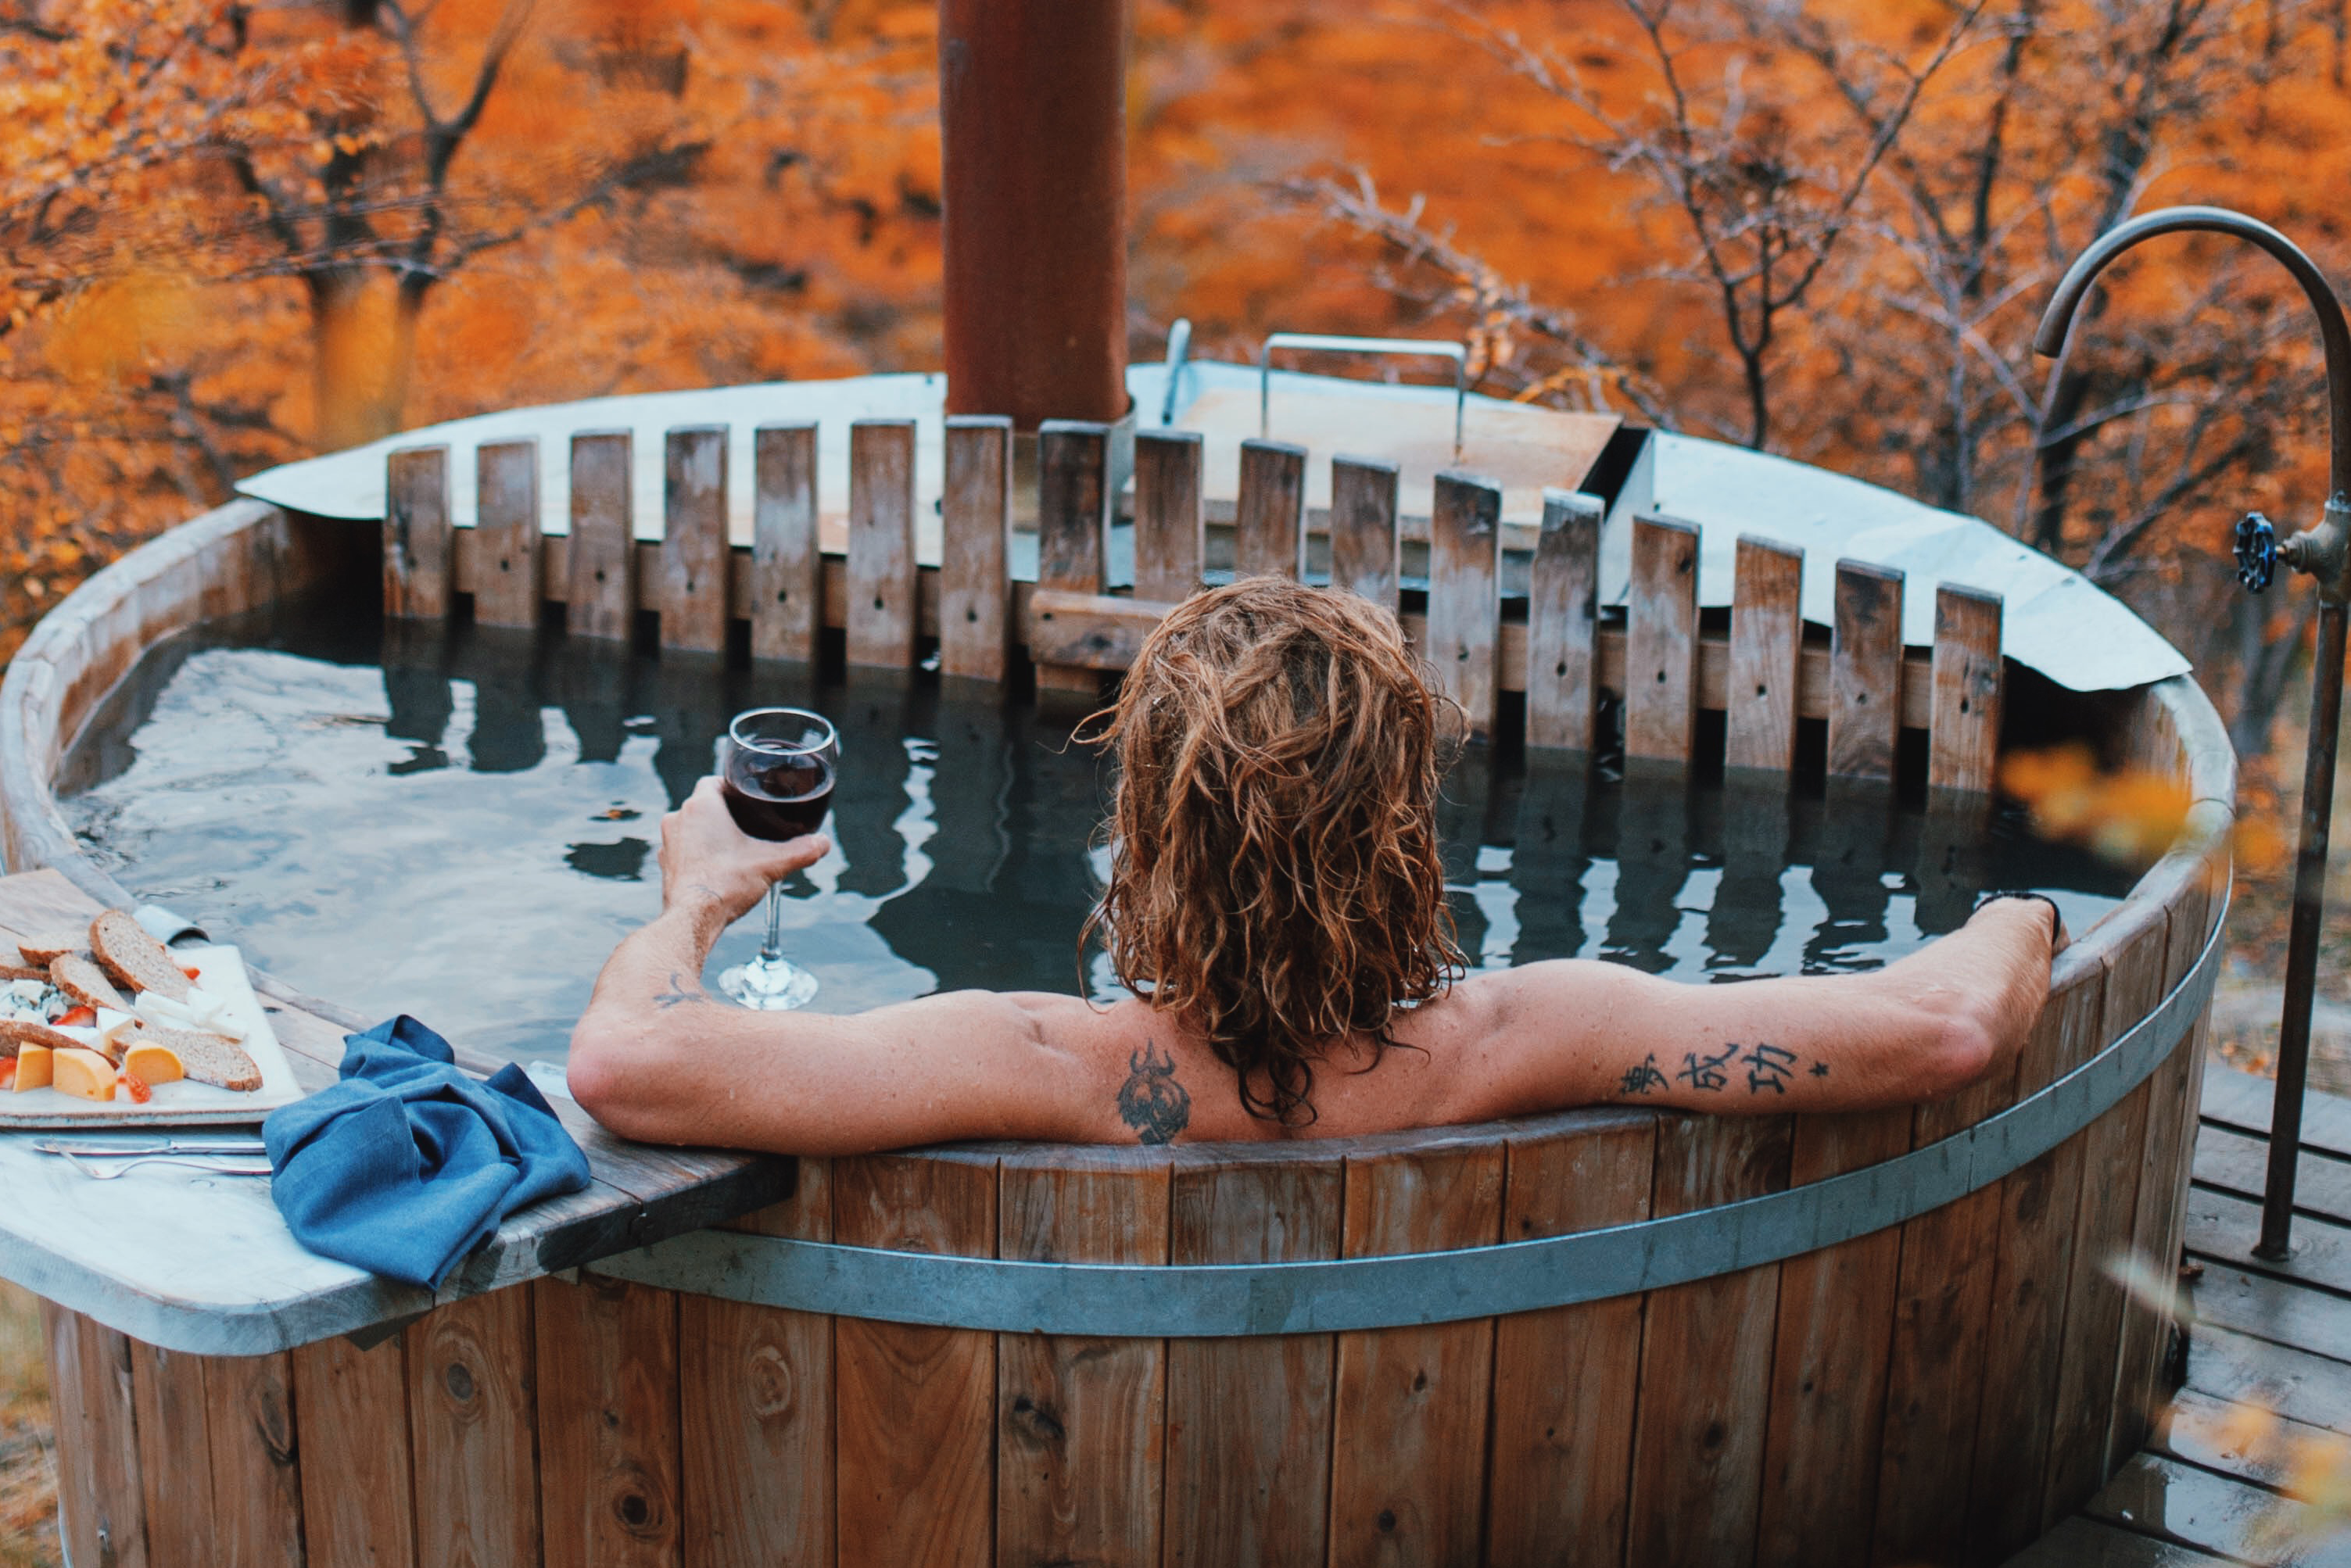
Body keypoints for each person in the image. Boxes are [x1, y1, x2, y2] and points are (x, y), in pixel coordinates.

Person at [564, 574, 2059, 1158]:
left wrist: (701, 894)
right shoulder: (1533, 1037)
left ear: (1143, 830)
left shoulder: (1044, 1058)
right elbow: (1946, 1026)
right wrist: (2026, 904)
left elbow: (629, 1069)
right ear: (1407, 827)